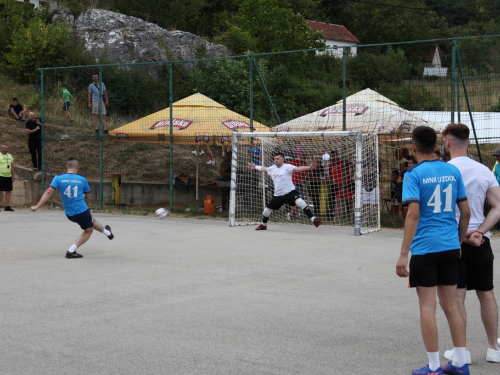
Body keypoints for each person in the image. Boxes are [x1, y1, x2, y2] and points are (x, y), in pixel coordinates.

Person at [396, 126, 471, 375]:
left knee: (427, 307)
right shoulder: (452, 170)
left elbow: (413, 213)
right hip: (450, 246)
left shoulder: (413, 174)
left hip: (426, 248)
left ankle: (433, 367)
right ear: (437, 147)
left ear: (414, 147)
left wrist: (404, 253)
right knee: (451, 304)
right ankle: (460, 363)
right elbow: (466, 212)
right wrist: (458, 243)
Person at [441, 123, 500, 365]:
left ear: (447, 143)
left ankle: (461, 351)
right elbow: (498, 207)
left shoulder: (443, 171)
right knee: (486, 294)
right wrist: (481, 231)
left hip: (453, 241)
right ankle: (493, 348)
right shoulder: (484, 170)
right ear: (467, 142)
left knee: (457, 297)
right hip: (479, 240)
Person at [31, 158, 114, 258]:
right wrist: (81, 196)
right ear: (77, 166)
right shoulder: (82, 179)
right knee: (89, 230)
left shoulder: (58, 178)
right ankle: (71, 251)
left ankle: (108, 233)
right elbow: (87, 196)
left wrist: (37, 206)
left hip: (69, 213)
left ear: (66, 167)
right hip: (81, 210)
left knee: (92, 219)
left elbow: (48, 192)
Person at [249, 152, 321, 230]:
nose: (275, 160)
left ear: (282, 159)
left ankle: (313, 219)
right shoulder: (272, 168)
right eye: (275, 159)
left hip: (290, 192)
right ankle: (263, 225)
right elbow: (264, 169)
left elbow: (298, 168)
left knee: (300, 201)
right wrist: (255, 167)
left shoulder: (287, 167)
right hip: (278, 195)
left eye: (277, 159)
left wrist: (309, 167)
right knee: (266, 211)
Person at [286, 153, 310, 219]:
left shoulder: (305, 164)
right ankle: (292, 213)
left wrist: (304, 179)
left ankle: (292, 213)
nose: (303, 158)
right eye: (302, 156)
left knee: (301, 199)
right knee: (297, 199)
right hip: (292, 184)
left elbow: (307, 174)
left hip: (299, 184)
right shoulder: (293, 162)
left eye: (305, 156)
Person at [0, 144, 15, 212]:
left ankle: (7, 206)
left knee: (8, 191)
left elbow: (12, 166)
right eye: (5, 148)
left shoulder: (10, 156)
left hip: (8, 176)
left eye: (7, 148)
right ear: (1, 149)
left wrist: (13, 175)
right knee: (0, 191)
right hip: (1, 175)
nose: (6, 149)